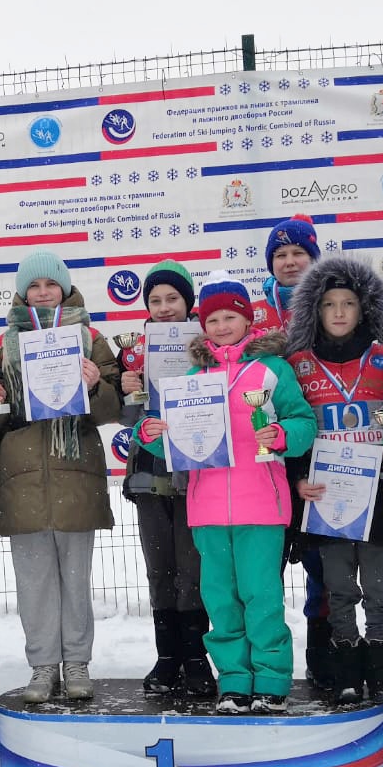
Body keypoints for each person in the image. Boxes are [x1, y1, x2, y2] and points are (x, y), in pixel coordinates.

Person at [136, 272, 316, 715]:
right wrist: (150, 434)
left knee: (262, 595)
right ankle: (234, 680)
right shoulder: (193, 377)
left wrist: (281, 435)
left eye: (229, 317)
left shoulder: (273, 370)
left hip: (262, 504)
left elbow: (304, 423)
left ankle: (271, 679)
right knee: (220, 598)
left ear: (247, 320)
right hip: (207, 507)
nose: (220, 326)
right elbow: (178, 444)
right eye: (212, 319)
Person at [0, 251, 121, 703]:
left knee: (76, 580)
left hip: (75, 471)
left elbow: (114, 408)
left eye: (50, 284)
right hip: (23, 479)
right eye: (34, 286)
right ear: (23, 292)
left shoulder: (91, 339)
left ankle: (77, 662)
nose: (42, 293)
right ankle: (43, 666)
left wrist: (96, 383)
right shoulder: (4, 345)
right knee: (34, 583)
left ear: (64, 287)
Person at [285, 253, 383, 704]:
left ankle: (382, 669)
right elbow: (295, 426)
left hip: (377, 493)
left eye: (347, 303)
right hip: (325, 496)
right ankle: (348, 667)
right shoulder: (299, 365)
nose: (337, 312)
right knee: (337, 587)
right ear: (314, 310)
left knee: (378, 585)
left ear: (364, 309)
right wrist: (298, 482)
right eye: (328, 303)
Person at [249, 214, 336, 694]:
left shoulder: (332, 305)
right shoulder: (255, 313)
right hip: (267, 457)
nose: (288, 262)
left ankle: (325, 661)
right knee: (267, 570)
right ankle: (266, 664)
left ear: (313, 257)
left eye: (298, 253)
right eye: (280, 255)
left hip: (322, 448)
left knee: (324, 567)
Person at [117, 260, 211, 698]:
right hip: (149, 473)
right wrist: (130, 390)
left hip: (196, 473)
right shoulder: (134, 351)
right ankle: (167, 655)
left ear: (188, 302)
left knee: (192, 568)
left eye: (172, 298)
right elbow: (127, 419)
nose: (164, 307)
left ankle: (195, 657)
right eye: (155, 300)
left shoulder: (208, 347)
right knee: (160, 568)